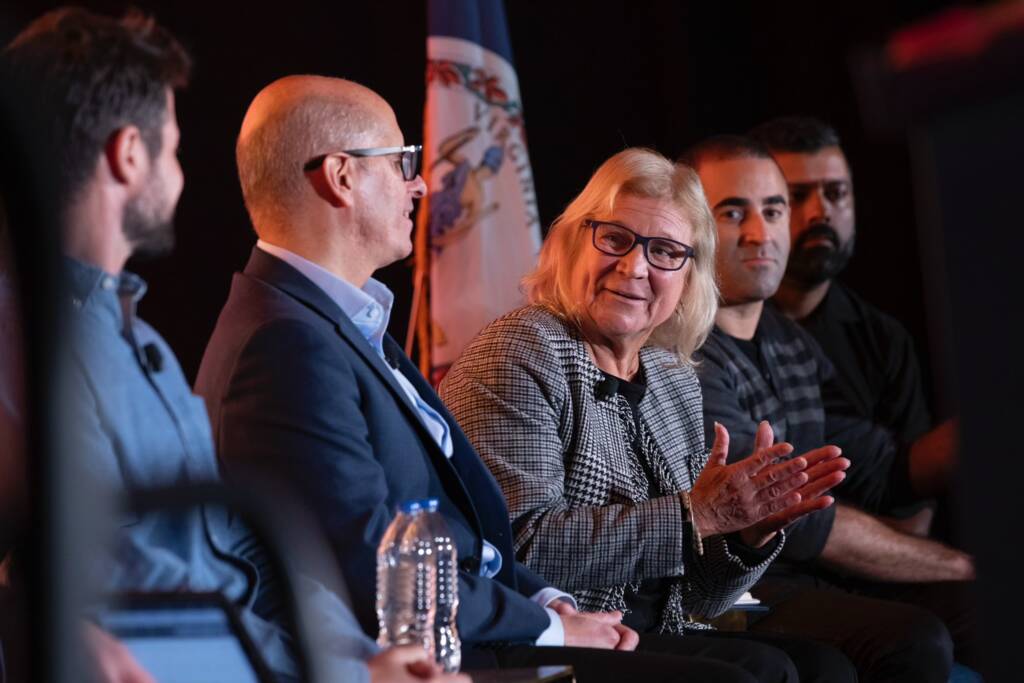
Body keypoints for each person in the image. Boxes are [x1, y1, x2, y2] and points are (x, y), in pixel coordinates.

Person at [197, 74, 796, 683]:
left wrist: (740, 535)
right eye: (403, 160)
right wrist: (555, 622)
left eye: (666, 252)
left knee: (803, 667)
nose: (422, 182)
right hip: (442, 656)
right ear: (342, 176)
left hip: (506, 627)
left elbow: (471, 545)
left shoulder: (336, 321)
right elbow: (373, 565)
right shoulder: (289, 341)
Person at [2, 9, 465, 683]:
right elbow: (135, 591)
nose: (181, 175)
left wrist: (366, 656)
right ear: (130, 153)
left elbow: (236, 548)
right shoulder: (26, 343)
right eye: (173, 149)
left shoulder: (136, 339)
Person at [438, 147, 857, 682]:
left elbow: (700, 598)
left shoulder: (674, 378)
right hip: (546, 639)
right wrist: (698, 515)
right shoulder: (521, 351)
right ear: (573, 243)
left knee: (828, 669)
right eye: (614, 239)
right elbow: (521, 550)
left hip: (656, 633)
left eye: (664, 252)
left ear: (688, 276)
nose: (633, 266)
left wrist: (746, 534)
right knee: (758, 672)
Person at [684, 134, 979, 681]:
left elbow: (874, 465)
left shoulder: (788, 339)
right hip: (734, 583)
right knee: (914, 640)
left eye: (773, 209)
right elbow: (793, 515)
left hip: (811, 577)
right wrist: (959, 562)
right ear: (690, 226)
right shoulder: (680, 354)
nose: (760, 233)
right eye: (732, 212)